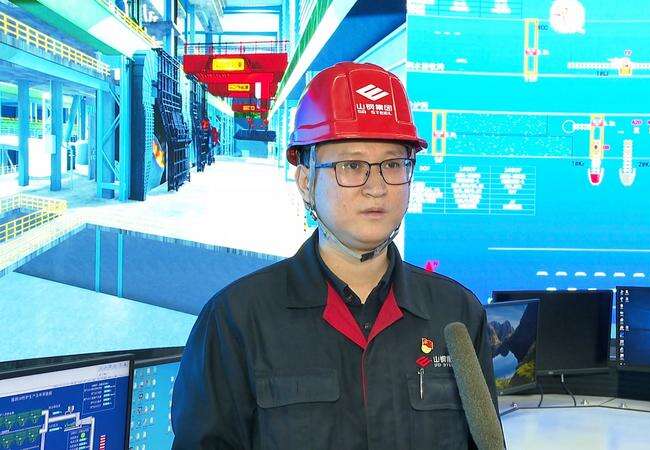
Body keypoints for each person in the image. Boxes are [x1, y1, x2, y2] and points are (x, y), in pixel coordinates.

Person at [171, 62, 500, 449]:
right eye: (352, 165)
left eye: (394, 164)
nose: (376, 187)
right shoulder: (237, 321)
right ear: (305, 180)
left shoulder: (457, 314)